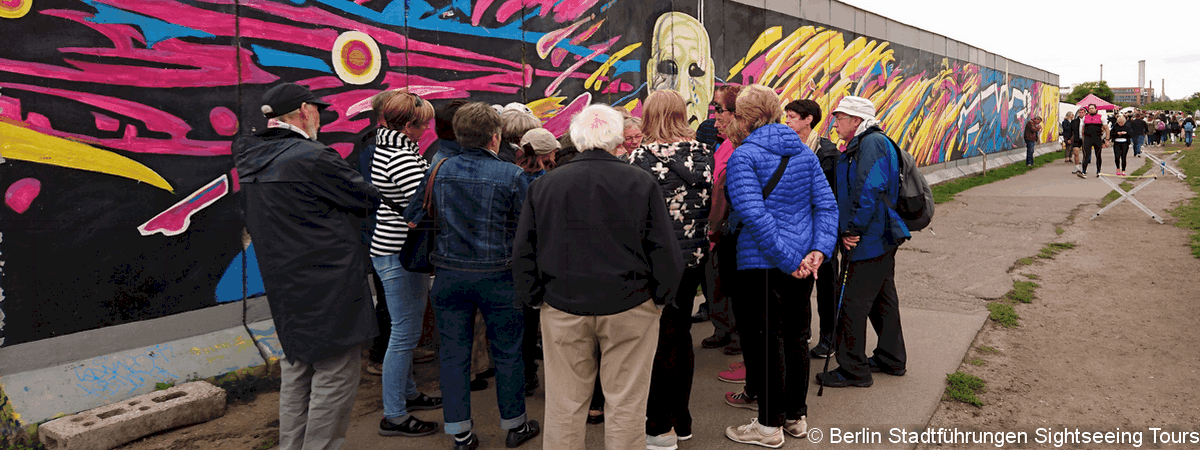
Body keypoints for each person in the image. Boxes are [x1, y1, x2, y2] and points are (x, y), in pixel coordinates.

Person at [512, 104, 683, 450]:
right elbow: (665, 248)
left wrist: (535, 296)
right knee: (626, 404)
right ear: (617, 139)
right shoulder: (640, 181)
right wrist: (660, 299)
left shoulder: (545, 186)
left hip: (562, 304)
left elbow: (523, 250)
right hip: (631, 304)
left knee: (564, 404)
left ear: (576, 137)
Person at [233, 82, 382, 450]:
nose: (320, 117)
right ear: (304, 110)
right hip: (329, 283)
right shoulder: (313, 156)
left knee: (297, 368)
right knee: (335, 374)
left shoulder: (251, 158)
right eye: (316, 109)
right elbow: (367, 198)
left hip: (285, 283)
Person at [403, 103, 540, 450]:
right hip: (499, 275)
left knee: (452, 355)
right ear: (495, 138)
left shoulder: (439, 169)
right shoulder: (511, 175)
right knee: (508, 352)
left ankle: (460, 433)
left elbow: (413, 213)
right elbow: (529, 227)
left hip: (449, 275)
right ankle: (514, 425)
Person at [721, 85, 836, 448]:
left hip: (766, 263)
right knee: (797, 338)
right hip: (800, 263)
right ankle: (795, 417)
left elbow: (754, 217)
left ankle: (769, 425)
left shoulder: (744, 157)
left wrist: (793, 261)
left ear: (749, 118)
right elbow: (827, 207)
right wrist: (817, 250)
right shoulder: (804, 153)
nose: (734, 120)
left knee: (768, 341)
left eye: (737, 114)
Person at [627, 89, 713, 450]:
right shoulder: (704, 155)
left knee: (657, 341)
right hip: (692, 259)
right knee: (681, 336)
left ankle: (659, 425)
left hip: (654, 262)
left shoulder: (638, 159)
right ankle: (682, 418)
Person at [816, 95, 911, 389]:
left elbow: (869, 188)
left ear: (856, 120)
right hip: (878, 236)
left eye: (840, 117)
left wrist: (851, 228)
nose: (836, 123)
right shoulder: (866, 143)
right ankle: (890, 358)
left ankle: (853, 369)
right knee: (882, 299)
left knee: (852, 303)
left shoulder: (871, 143)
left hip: (869, 238)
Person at [367, 89, 444, 438]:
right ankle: (394, 414)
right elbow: (424, 201)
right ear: (409, 125)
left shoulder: (392, 148)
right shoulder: (400, 155)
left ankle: (407, 394)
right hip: (399, 251)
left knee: (406, 329)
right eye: (424, 123)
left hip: (393, 248)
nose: (427, 128)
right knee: (404, 334)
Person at [784, 99, 840, 360]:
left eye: (793, 116)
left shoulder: (826, 152)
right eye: (787, 115)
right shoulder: (786, 146)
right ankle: (802, 332)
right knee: (799, 283)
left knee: (826, 284)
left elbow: (832, 196)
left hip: (822, 231)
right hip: (797, 230)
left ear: (808, 120)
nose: (787, 120)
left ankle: (829, 337)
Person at [514, 127, 559, 397]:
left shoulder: (513, 175)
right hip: (542, 255)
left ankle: (526, 372)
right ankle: (532, 371)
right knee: (536, 319)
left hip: (520, 257)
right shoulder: (544, 181)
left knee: (524, 321)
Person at [706, 84, 746, 359]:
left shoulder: (742, 148)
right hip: (721, 227)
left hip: (733, 228)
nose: (715, 116)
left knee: (735, 285)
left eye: (720, 109)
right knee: (717, 280)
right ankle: (724, 329)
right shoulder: (725, 145)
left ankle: (738, 336)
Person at [1078, 104, 1108, 178]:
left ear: (1095, 109)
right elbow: (1081, 127)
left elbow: (1106, 128)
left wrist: (1106, 139)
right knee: (1086, 155)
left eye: (1092, 108)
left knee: (1098, 155)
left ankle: (1098, 171)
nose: (1091, 109)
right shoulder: (1085, 117)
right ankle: (1083, 171)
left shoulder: (1101, 117)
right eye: (1090, 108)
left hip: (1097, 138)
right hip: (1087, 138)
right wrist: (1081, 137)